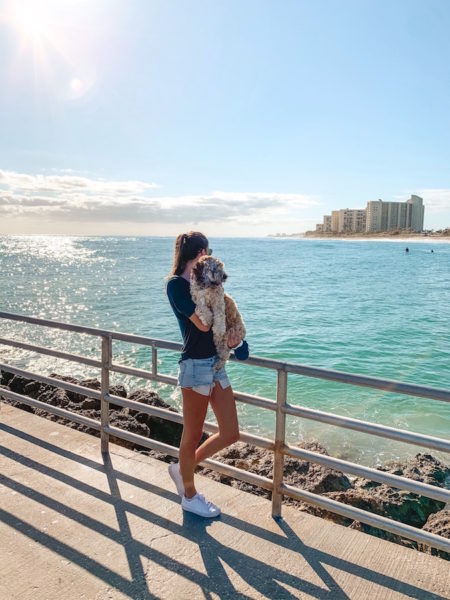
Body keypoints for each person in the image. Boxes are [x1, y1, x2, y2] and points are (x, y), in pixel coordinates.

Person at [165, 231, 249, 517]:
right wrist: (213, 295)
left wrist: (234, 339)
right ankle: (189, 496)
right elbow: (202, 324)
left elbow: (224, 324)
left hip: (215, 364)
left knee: (230, 432)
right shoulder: (177, 285)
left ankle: (182, 468)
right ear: (201, 253)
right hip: (194, 367)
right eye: (208, 251)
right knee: (192, 436)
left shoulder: (211, 287)